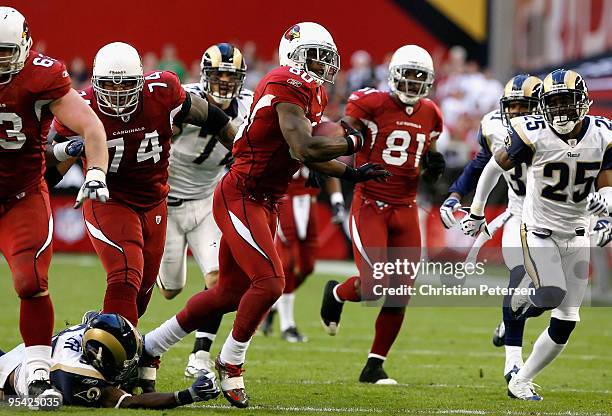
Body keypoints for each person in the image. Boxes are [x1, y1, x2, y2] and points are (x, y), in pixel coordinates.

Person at [140, 22, 389, 408]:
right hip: (242, 194)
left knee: (227, 292)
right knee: (271, 282)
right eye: (315, 56)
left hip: (265, 199)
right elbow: (304, 147)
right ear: (294, 55)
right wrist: (351, 142)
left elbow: (299, 153)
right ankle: (230, 361)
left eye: (327, 58)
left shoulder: (311, 92)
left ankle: (152, 344)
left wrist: (350, 171)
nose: (323, 65)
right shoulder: (284, 82)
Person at [48, 41, 236, 331]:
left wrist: (241, 155)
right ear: (96, 83)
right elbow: (51, 168)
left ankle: (100, 334)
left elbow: (214, 118)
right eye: (110, 85)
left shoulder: (162, 92)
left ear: (141, 81)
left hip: (154, 201)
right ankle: (111, 362)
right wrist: (65, 152)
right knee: (125, 275)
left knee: (142, 296)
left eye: (126, 85)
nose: (119, 93)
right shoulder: (81, 106)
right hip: (110, 199)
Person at [461, 69, 612, 400]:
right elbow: (492, 167)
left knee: (567, 320)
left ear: (583, 103)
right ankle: (522, 303)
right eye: (553, 103)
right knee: (552, 294)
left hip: (578, 232)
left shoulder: (603, 134)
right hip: (540, 229)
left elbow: (608, 184)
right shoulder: (532, 132)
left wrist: (606, 214)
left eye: (566, 102)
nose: (560, 111)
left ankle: (522, 379)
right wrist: (476, 209)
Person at [0, 7, 109, 404]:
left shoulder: (40, 75)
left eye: (5, 51)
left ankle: (38, 373)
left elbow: (91, 125)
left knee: (30, 283)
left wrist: (95, 171)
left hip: (20, 194)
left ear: (25, 46)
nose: (0, 60)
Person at [319, 45, 445, 384]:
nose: (414, 82)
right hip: (370, 203)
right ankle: (336, 293)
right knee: (373, 286)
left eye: (421, 77)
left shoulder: (432, 112)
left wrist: (434, 166)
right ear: (393, 75)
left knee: (401, 291)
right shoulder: (370, 102)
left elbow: (428, 154)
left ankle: (374, 365)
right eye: (410, 74)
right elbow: (341, 132)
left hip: (405, 208)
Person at [155, 43, 253, 378]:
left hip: (205, 204)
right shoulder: (186, 98)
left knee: (218, 282)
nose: (225, 82)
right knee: (170, 290)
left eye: (231, 75)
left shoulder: (250, 105)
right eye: (219, 74)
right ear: (204, 75)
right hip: (165, 204)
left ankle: (199, 356)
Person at [440, 74, 544, 383]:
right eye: (510, 108)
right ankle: (513, 361)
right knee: (519, 278)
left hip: (561, 216)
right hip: (519, 212)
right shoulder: (493, 125)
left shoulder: (560, 131)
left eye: (522, 108)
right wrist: (456, 195)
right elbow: (480, 165)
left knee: (553, 297)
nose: (514, 115)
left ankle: (510, 320)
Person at [0, 313, 219, 409]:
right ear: (99, 358)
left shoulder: (92, 330)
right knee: (51, 403)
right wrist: (186, 396)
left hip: (26, 355)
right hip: (9, 376)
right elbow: (130, 401)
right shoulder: (78, 373)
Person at [263, 167, 346, 342]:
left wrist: (337, 202)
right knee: (289, 263)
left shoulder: (317, 140)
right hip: (284, 201)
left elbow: (330, 168)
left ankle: (274, 304)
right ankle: (288, 325)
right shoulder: (285, 139)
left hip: (310, 202)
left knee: (308, 266)